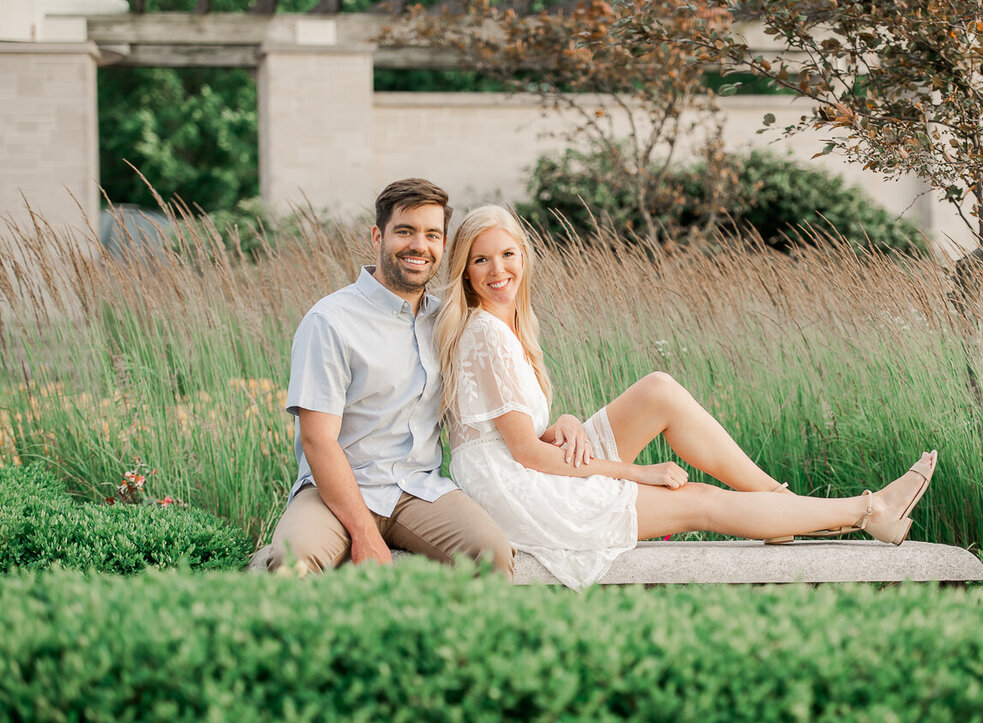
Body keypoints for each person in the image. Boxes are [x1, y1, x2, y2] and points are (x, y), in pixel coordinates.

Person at [434, 205, 938, 590]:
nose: (497, 269)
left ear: (524, 256)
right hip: (518, 492)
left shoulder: (507, 326)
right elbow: (521, 454)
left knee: (658, 390)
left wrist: (563, 420)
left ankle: (780, 505)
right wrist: (640, 473)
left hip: (523, 469)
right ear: (465, 270)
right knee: (697, 500)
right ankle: (869, 511)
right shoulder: (486, 333)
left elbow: (512, 432)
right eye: (481, 259)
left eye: (507, 254)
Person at [267, 180, 514, 578]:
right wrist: (364, 532)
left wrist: (563, 425)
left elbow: (505, 398)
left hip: (420, 489)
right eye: (405, 231)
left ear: (444, 245)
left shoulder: (447, 322)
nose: (420, 245)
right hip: (335, 491)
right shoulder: (330, 321)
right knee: (291, 561)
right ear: (378, 236)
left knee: (492, 554)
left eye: (432, 234)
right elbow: (317, 440)